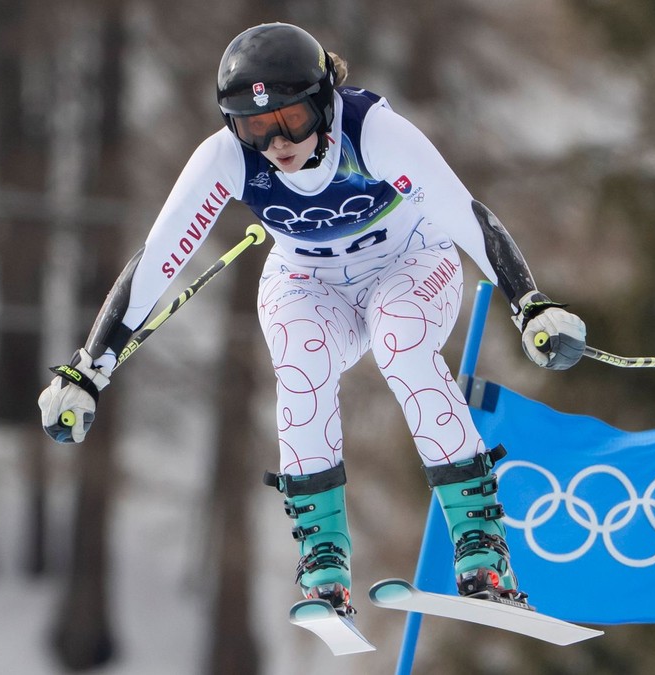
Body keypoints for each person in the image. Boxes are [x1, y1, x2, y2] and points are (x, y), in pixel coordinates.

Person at [38, 22, 586, 618]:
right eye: (255, 127)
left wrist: (530, 303)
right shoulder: (224, 159)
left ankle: (483, 552)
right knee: (300, 364)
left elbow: (466, 215)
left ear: (323, 102)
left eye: (291, 120)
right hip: (307, 279)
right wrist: (88, 369)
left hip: (410, 264)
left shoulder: (373, 132)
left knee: (402, 346)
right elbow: (156, 261)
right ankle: (325, 562)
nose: (276, 143)